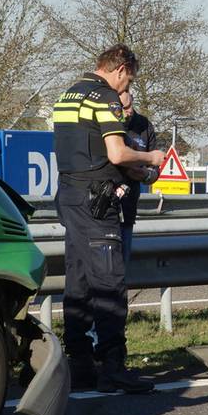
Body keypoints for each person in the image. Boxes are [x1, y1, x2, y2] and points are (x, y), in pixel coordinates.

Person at [52, 45, 165, 393]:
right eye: (128, 78)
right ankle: (113, 366)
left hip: (69, 197)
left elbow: (91, 151)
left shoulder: (67, 96)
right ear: (120, 70)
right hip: (97, 203)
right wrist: (150, 156)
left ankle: (80, 362)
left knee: (79, 283)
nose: (126, 86)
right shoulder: (105, 98)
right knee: (110, 283)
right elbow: (115, 152)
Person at [116, 88, 158, 265]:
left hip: (128, 209)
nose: (129, 111)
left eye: (131, 104)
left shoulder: (144, 125)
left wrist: (144, 175)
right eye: (124, 107)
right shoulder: (107, 126)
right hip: (105, 212)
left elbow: (155, 168)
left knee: (122, 267)